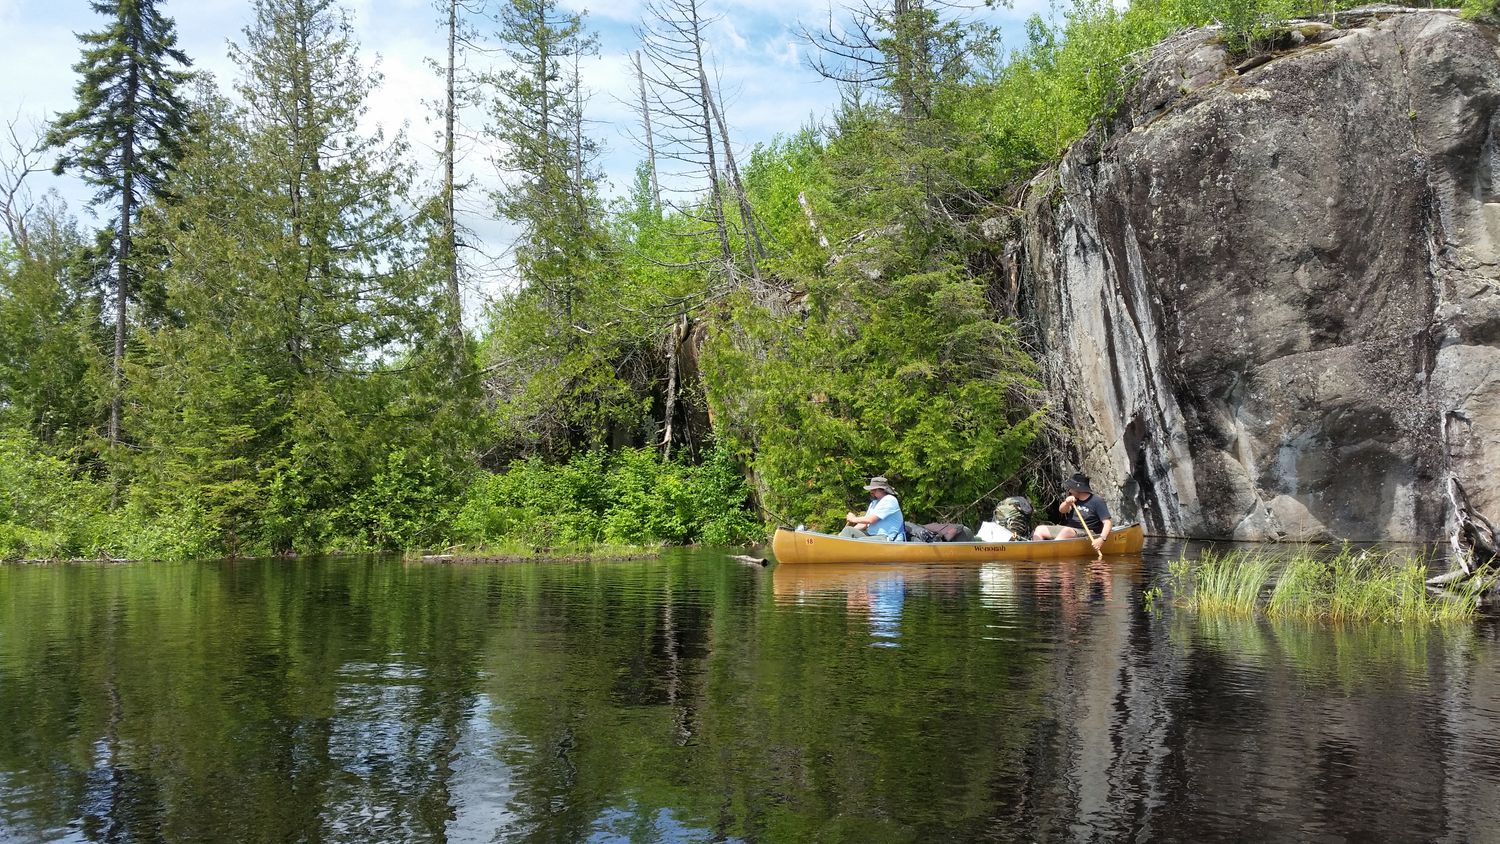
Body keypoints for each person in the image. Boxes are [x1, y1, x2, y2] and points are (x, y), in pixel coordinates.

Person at [1032, 472, 1112, 551]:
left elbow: (1107, 523)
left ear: (1079, 489)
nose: (1070, 490)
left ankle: (1051, 552)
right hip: (1069, 529)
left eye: (1072, 488)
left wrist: (1101, 539)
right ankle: (1037, 551)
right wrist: (1067, 503)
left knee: (1066, 531)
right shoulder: (1073, 499)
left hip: (1088, 531)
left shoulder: (1097, 501)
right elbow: (1061, 510)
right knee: (1040, 529)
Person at [840, 476, 907, 541]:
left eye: (874, 489)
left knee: (860, 541)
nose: (871, 491)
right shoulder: (874, 503)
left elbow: (871, 520)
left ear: (883, 490)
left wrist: (853, 519)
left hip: (885, 538)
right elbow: (864, 524)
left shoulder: (889, 500)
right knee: (848, 531)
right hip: (871, 535)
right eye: (871, 489)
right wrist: (843, 535)